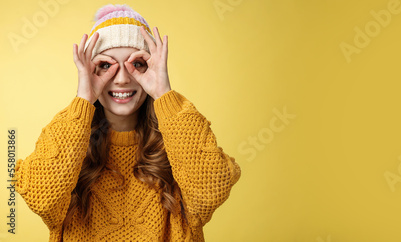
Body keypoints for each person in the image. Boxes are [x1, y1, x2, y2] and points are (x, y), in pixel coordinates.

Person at [13, 4, 241, 241]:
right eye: (105, 65)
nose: (122, 79)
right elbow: (43, 198)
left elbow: (211, 191)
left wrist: (164, 94)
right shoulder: (70, 146)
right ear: (89, 71)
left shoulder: (179, 145)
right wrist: (83, 99)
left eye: (138, 64)